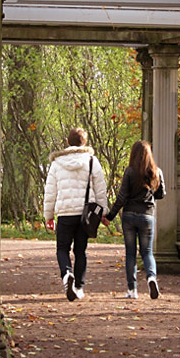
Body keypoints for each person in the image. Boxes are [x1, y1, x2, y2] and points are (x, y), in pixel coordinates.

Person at [43, 127, 110, 301]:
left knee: (62, 249)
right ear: (84, 142)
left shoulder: (57, 163)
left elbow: (50, 191)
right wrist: (104, 212)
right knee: (81, 251)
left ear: (67, 142)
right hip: (85, 213)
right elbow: (100, 188)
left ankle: (66, 274)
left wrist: (48, 216)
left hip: (65, 213)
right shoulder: (91, 161)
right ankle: (79, 287)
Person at [104, 139, 166, 299]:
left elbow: (122, 197)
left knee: (131, 253)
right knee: (147, 252)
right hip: (147, 216)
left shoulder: (130, 171)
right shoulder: (156, 172)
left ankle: (132, 290)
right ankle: (151, 277)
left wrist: (109, 216)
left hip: (129, 216)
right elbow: (161, 194)